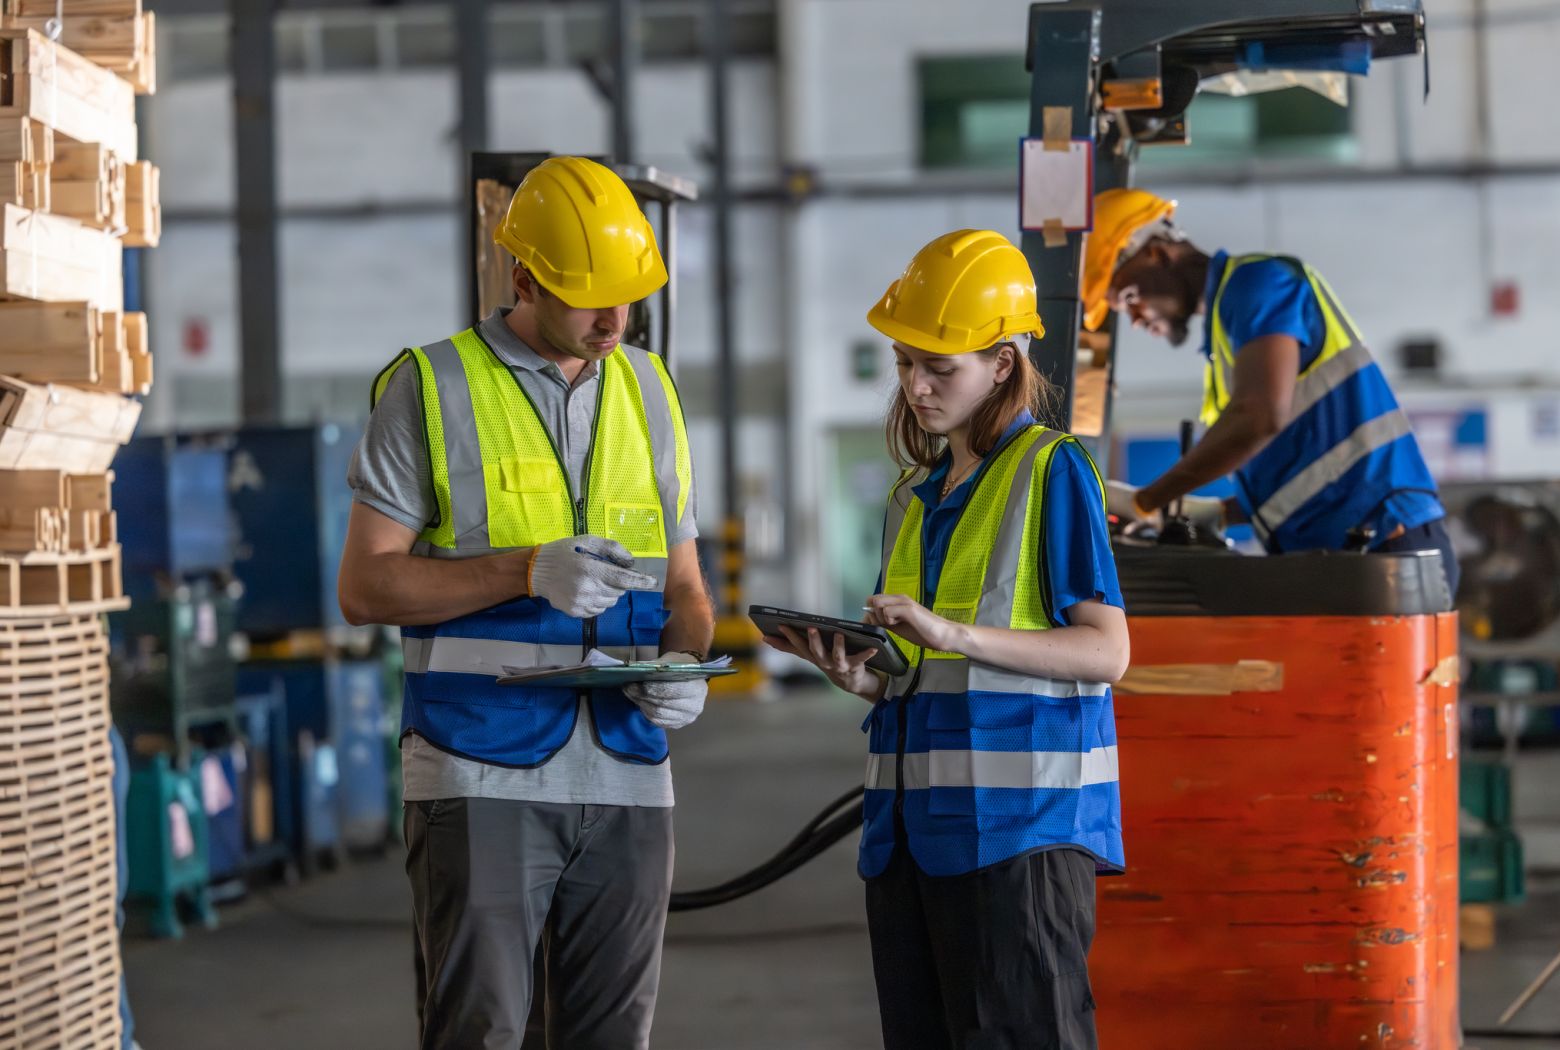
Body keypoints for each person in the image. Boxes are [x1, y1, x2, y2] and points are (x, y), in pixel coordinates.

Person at [336, 155, 713, 1050]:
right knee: (483, 1033)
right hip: (479, 764)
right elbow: (364, 587)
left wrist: (689, 665)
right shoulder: (431, 387)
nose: (614, 321)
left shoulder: (652, 392)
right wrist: (521, 571)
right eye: (590, 298)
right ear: (523, 278)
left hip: (627, 765)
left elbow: (688, 588)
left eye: (627, 298)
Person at [766, 229, 1130, 1049]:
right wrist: (868, 679)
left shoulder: (1051, 470)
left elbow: (1106, 652)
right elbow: (929, 672)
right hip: (913, 838)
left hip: (1020, 836)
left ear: (1002, 363)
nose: (916, 387)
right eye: (904, 363)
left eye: (941, 368)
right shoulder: (919, 494)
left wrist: (951, 633)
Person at [1086, 188, 1459, 594]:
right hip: (1355, 552)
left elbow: (1261, 416)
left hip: (1386, 547)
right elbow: (1310, 463)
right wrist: (1215, 513)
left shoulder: (1258, 284)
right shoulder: (1229, 337)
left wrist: (1148, 500)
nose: (1136, 319)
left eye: (1129, 298)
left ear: (1157, 254)